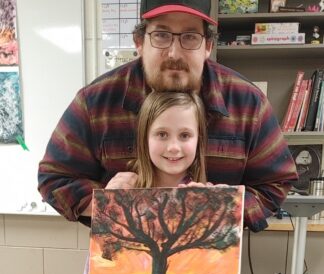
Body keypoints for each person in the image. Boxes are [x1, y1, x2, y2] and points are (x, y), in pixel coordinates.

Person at [38, 0, 298, 235]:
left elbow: (275, 184)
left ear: (207, 46)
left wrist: (224, 206)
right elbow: (54, 179)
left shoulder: (247, 104)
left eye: (190, 37)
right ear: (139, 43)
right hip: (125, 269)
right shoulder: (95, 102)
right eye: (161, 35)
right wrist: (110, 203)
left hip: (209, 273)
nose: (174, 53)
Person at [76, 90, 207, 274]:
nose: (174, 147)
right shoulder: (123, 193)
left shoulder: (206, 200)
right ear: (145, 138)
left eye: (185, 135)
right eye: (162, 134)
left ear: (199, 140)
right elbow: (99, 272)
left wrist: (218, 204)